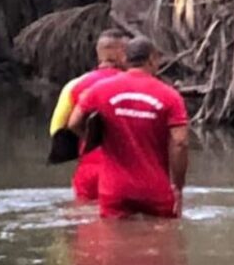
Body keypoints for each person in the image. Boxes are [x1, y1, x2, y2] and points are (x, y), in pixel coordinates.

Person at [68, 37, 189, 219]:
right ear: (152, 60)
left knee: (113, 243)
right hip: (156, 190)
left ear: (125, 59)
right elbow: (180, 143)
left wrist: (97, 140)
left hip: (114, 189)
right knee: (164, 243)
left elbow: (73, 122)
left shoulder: (100, 89)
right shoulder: (170, 96)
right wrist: (178, 187)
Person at [48, 28, 129, 200]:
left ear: (99, 55)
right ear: (122, 54)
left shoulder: (74, 85)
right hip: (125, 170)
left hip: (88, 170)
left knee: (84, 220)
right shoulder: (137, 85)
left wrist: (89, 138)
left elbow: (56, 129)